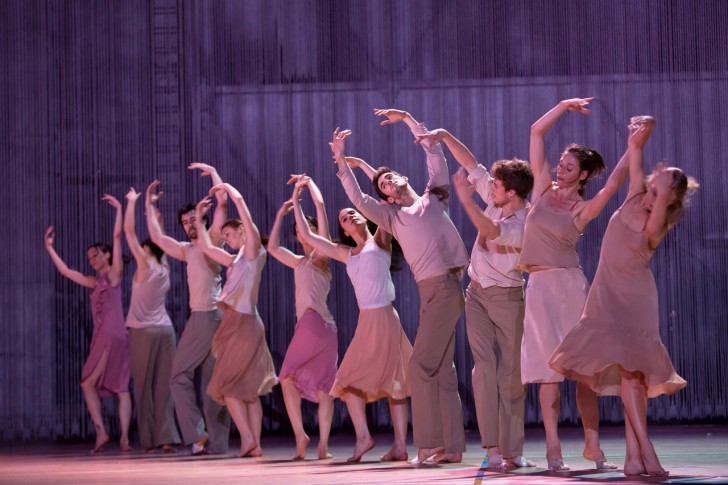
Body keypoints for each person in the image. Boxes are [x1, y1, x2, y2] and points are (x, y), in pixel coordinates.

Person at [549, 117, 696, 477]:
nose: (652, 187)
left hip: (635, 300)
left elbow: (652, 228)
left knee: (635, 376)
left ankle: (641, 452)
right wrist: (640, 134)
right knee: (631, 377)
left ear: (671, 196)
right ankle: (638, 456)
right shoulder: (634, 194)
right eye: (654, 183)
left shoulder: (659, 218)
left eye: (661, 188)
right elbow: (636, 155)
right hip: (605, 295)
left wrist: (662, 192)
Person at [334, 110, 470, 464]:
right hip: (430, 293)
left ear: (403, 178)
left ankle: (427, 445)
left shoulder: (433, 198)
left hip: (445, 287)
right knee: (441, 368)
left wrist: (409, 119)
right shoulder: (392, 218)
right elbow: (360, 200)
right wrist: (341, 160)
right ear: (388, 199)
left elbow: (434, 154)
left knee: (419, 365)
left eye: (390, 178)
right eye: (383, 186)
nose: (388, 182)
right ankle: (452, 448)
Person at [518, 98, 637, 471]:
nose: (561, 168)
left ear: (583, 175)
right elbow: (537, 132)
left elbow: (615, 183)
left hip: (569, 287)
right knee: (546, 370)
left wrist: (634, 146)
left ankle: (592, 445)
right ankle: (553, 448)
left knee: (585, 369)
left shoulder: (581, 209)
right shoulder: (540, 188)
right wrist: (563, 106)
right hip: (537, 287)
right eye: (561, 163)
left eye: (570, 166)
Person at [415, 128, 535, 469]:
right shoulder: (498, 197)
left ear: (511, 192)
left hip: (508, 298)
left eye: (496, 186)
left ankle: (513, 450)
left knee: (510, 375)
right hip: (477, 294)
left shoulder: (526, 222)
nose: (489, 187)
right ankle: (493, 448)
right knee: (483, 370)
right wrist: (446, 136)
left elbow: (493, 233)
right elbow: (472, 165)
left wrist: (466, 201)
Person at [292, 174, 412, 463]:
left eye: (352, 213)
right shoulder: (346, 253)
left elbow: (383, 209)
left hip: (385, 316)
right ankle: (365, 437)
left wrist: (365, 174)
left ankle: (398, 446)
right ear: (343, 230)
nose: (349, 216)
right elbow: (309, 236)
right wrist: (298, 198)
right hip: (367, 320)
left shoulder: (381, 241)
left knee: (392, 381)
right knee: (347, 382)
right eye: (344, 218)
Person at [145, 163, 230, 455]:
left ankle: (199, 435)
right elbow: (157, 238)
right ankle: (215, 444)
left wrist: (214, 172)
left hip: (207, 317)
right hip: (211, 319)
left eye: (193, 219)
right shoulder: (187, 249)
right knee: (212, 384)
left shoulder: (213, 240)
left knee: (178, 376)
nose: (189, 225)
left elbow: (223, 201)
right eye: (184, 222)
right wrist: (148, 205)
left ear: (202, 219)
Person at [194, 182, 277, 457]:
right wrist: (197, 217)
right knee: (248, 390)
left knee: (226, 386)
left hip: (243, 324)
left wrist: (229, 189)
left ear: (242, 230)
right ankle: (254, 445)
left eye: (228, 234)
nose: (226, 240)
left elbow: (244, 211)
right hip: (244, 323)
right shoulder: (238, 259)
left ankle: (247, 439)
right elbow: (207, 248)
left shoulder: (253, 251)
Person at [44, 195, 131, 453]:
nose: (92, 259)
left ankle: (102, 432)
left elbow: (117, 239)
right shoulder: (95, 281)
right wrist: (50, 248)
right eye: (89, 257)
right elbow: (66, 272)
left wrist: (118, 210)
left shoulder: (113, 275)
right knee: (121, 388)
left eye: (95, 255)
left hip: (109, 335)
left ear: (106, 255)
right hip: (118, 336)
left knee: (86, 382)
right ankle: (124, 438)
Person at [268, 178, 337, 460]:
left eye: (304, 228)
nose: (301, 233)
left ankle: (307, 439)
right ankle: (319, 446)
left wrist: (299, 196)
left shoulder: (322, 254)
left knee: (286, 378)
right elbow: (272, 248)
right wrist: (279, 215)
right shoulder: (300, 261)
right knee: (323, 389)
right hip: (324, 328)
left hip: (313, 323)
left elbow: (319, 206)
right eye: (297, 231)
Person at [123, 187, 180, 453]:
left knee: (144, 387)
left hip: (143, 333)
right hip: (165, 331)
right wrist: (153, 210)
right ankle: (166, 438)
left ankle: (148, 440)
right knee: (163, 387)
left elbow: (129, 233)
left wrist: (134, 203)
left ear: (146, 249)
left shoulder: (145, 265)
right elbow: (161, 237)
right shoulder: (165, 266)